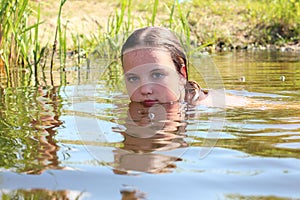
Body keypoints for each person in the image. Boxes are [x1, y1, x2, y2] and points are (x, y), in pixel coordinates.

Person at [121, 26, 208, 106]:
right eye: (133, 79)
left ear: (182, 74)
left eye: (157, 75)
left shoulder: (209, 107)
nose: (145, 90)